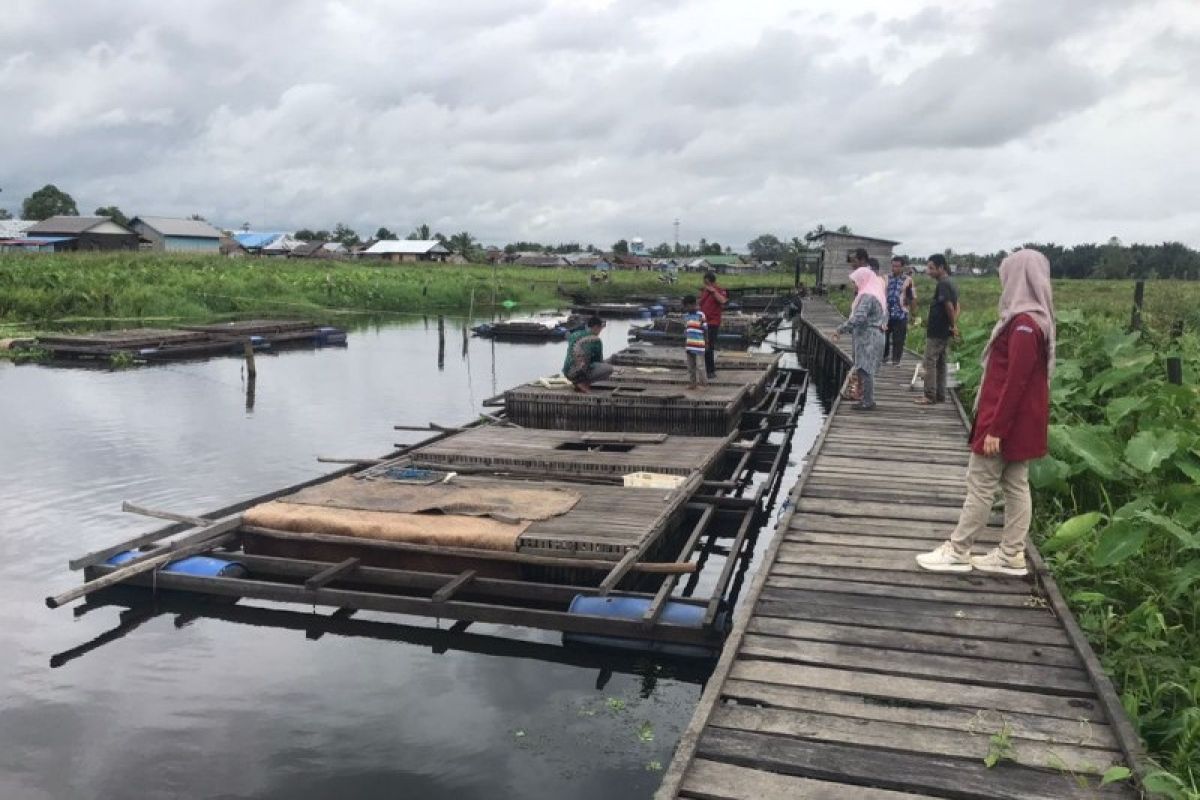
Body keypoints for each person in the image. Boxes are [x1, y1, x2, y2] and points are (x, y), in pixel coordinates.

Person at [917, 249, 1055, 576]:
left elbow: (1015, 382)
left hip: (1003, 421)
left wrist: (995, 428)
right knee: (1016, 484)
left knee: (980, 482)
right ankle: (1010, 554)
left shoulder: (1022, 324)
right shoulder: (1038, 319)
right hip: (1022, 423)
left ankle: (959, 550)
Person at [832, 267, 887, 411]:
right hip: (875, 335)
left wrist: (840, 329)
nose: (854, 285)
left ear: (863, 280)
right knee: (865, 368)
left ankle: (867, 401)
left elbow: (859, 317)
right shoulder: (877, 294)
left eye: (855, 281)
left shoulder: (868, 296)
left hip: (868, 337)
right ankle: (866, 399)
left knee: (865, 369)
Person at [915, 254, 959, 404]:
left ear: (941, 268)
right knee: (940, 362)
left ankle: (929, 395)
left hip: (937, 331)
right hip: (943, 330)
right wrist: (952, 325)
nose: (928, 271)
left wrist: (953, 325)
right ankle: (940, 395)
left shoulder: (943, 284)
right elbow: (957, 306)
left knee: (929, 362)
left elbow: (949, 306)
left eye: (931, 268)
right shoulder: (950, 282)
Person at [562, 316, 613, 392]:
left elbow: (568, 339)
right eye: (600, 329)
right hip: (578, 373)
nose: (600, 331)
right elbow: (598, 361)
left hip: (567, 372)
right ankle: (582, 383)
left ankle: (578, 382)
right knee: (609, 369)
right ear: (596, 327)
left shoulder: (574, 334)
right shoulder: (596, 340)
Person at [882, 256, 916, 366]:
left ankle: (896, 360)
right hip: (886, 313)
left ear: (902, 267)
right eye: (893, 266)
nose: (894, 268)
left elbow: (912, 297)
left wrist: (913, 314)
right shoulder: (886, 278)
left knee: (899, 339)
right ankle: (884, 357)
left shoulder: (908, 280)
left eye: (897, 266)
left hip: (901, 313)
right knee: (884, 337)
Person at [698, 272, 727, 379]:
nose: (704, 283)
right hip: (703, 322)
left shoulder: (718, 289)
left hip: (713, 323)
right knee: (702, 346)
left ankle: (710, 371)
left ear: (709, 280)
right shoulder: (705, 290)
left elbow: (723, 300)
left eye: (706, 281)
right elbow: (700, 303)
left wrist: (713, 291)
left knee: (708, 346)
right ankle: (705, 369)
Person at [681, 295, 708, 389]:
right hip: (689, 345)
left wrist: (706, 342)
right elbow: (686, 330)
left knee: (700, 366)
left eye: (688, 306)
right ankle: (692, 383)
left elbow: (705, 329)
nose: (687, 308)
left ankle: (703, 383)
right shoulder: (686, 316)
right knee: (690, 366)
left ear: (694, 304)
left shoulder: (701, 315)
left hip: (699, 345)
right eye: (685, 307)